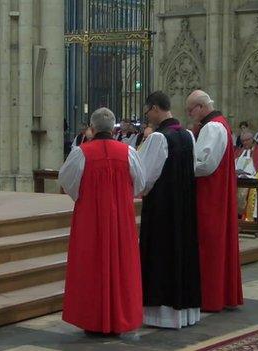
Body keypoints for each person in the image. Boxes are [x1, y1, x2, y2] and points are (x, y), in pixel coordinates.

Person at [58, 107, 145, 334]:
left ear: (92, 128)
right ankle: (119, 318)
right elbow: (140, 183)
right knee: (121, 264)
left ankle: (92, 320)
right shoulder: (129, 153)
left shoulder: (80, 153)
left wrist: (84, 196)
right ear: (113, 127)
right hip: (121, 220)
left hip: (90, 219)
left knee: (91, 264)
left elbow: (66, 181)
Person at [138, 91, 201, 329]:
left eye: (147, 112)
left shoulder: (158, 138)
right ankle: (186, 312)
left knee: (162, 255)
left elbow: (145, 178)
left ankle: (160, 314)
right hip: (183, 207)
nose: (147, 117)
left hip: (162, 209)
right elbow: (193, 168)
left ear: (155, 108)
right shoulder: (187, 135)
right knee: (182, 253)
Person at [186, 90, 243, 312]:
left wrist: (181, 166)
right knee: (216, 245)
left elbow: (204, 165)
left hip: (209, 196)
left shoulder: (212, 127)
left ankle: (210, 297)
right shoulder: (222, 124)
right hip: (217, 193)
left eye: (191, 110)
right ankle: (219, 294)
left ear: (200, 107)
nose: (190, 115)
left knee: (208, 247)